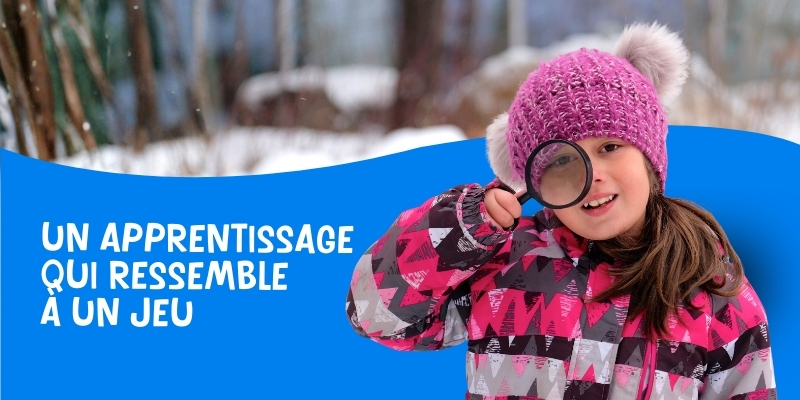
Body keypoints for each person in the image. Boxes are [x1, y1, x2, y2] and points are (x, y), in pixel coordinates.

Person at [345, 22, 776, 400]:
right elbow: (375, 316)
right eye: (563, 162)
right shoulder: (503, 263)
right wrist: (462, 229)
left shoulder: (709, 287)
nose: (594, 176)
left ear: (650, 157)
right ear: (534, 182)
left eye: (610, 147)